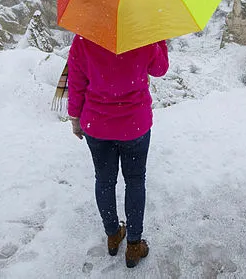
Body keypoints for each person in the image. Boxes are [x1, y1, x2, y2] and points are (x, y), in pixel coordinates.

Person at [67, 35, 169, 269]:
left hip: (97, 125)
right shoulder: (142, 35)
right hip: (134, 126)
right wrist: (159, 38)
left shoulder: (85, 38)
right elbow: (160, 69)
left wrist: (75, 118)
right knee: (134, 181)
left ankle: (113, 235)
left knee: (104, 180)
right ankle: (134, 245)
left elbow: (76, 83)